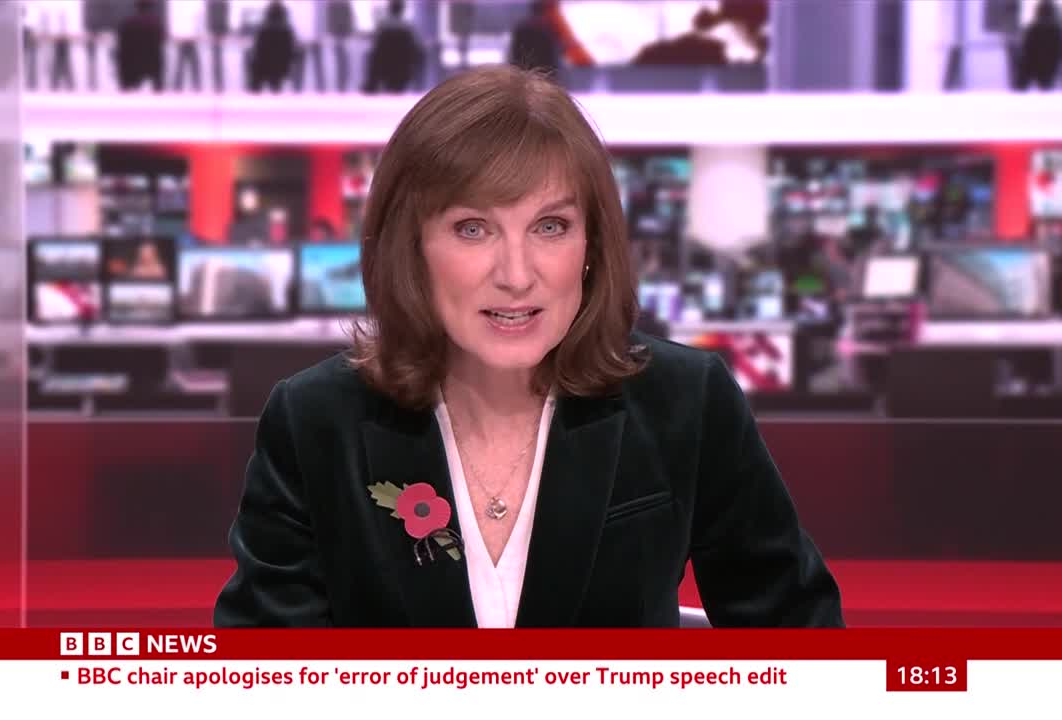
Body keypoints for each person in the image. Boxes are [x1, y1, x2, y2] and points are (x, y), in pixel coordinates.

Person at [213, 65, 842, 628]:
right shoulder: (316, 421)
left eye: (550, 226)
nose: (517, 274)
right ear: (411, 247)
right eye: (472, 228)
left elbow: (801, 639)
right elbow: (267, 676)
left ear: (591, 248)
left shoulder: (685, 403)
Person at [362, 0, 424, 94]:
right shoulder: (408, 27)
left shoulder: (383, 26)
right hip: (403, 70)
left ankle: (371, 84)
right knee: (421, 53)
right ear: (402, 10)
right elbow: (417, 49)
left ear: (389, 9)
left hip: (384, 68)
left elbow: (377, 49)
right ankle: (419, 84)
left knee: (371, 54)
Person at [247, 1, 298, 94]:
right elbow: (293, 51)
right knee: (275, 76)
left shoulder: (262, 30)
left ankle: (253, 97)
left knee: (253, 67)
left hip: (262, 68)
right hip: (281, 68)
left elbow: (258, 50)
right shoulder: (288, 31)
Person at [1013, 0, 1062, 91]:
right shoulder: (1056, 29)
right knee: (1045, 84)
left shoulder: (1033, 28)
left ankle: (1018, 95)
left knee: (1021, 81)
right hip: (1048, 65)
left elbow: (1026, 48)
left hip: (1033, 64)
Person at [116, 0, 166, 92]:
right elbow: (161, 40)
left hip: (131, 65)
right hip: (152, 63)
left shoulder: (127, 23)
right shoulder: (156, 23)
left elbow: (122, 46)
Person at [508, 1, 562, 76]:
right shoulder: (548, 27)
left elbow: (515, 51)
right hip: (544, 71)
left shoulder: (522, 27)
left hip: (526, 70)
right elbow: (553, 53)